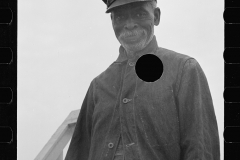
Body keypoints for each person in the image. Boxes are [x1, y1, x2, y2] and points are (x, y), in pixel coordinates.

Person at [64, 0, 220, 160]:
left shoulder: (185, 70)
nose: (129, 25)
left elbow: (201, 150)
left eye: (139, 14)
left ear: (156, 16)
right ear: (112, 21)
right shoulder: (97, 86)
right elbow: (77, 153)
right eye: (120, 17)